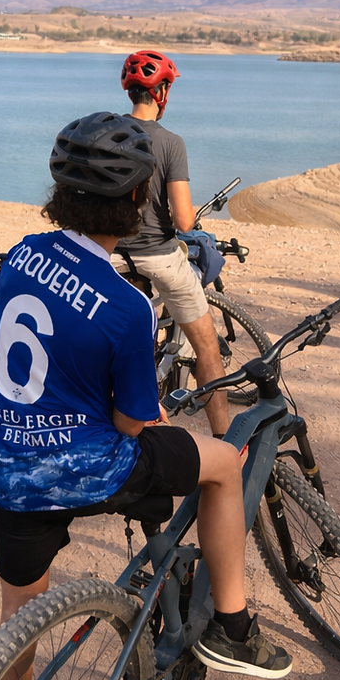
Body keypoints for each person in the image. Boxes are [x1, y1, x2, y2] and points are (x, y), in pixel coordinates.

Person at [0, 111, 291, 680]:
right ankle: (236, 628)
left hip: (10, 471)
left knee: (17, 620)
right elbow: (133, 421)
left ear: (59, 195)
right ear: (134, 202)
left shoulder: (20, 254)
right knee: (219, 462)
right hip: (88, 467)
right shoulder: (127, 304)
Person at [111, 50, 228, 437]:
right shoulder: (171, 142)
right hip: (158, 257)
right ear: (161, 92)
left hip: (111, 256)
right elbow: (183, 220)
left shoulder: (108, 133)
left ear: (130, 92)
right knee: (208, 348)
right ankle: (227, 442)